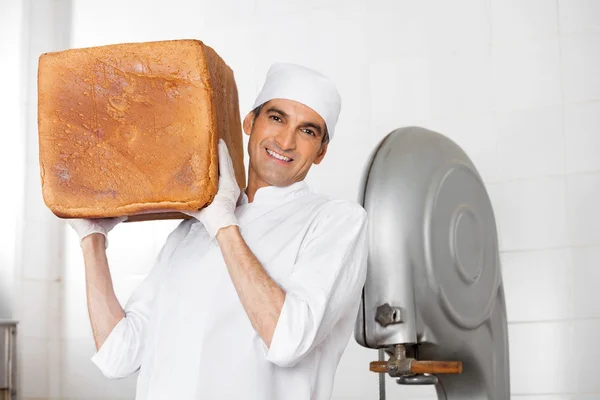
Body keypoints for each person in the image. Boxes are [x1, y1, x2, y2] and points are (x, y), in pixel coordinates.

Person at [68, 63, 369, 400]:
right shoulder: (191, 231)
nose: (286, 141)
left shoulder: (335, 221)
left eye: (308, 131)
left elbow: (288, 340)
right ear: (249, 123)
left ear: (321, 153)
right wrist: (92, 239)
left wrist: (224, 226)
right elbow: (117, 356)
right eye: (276, 118)